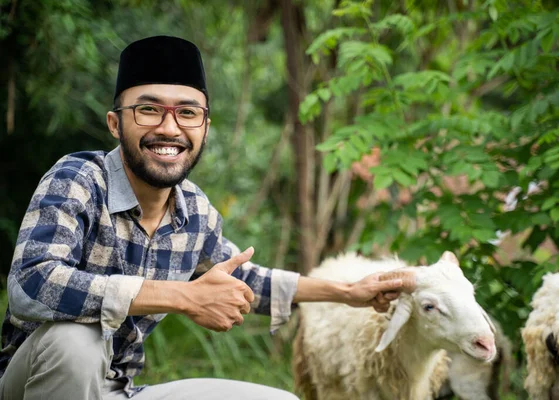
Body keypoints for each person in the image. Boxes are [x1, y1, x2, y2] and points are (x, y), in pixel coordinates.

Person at [0, 36, 407, 400]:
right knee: (76, 341)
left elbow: (245, 280)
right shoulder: (79, 179)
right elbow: (32, 282)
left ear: (205, 128)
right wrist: (183, 297)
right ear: (114, 123)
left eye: (187, 113)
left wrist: (349, 292)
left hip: (118, 390)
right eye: (148, 110)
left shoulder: (194, 210)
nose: (169, 127)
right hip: (34, 383)